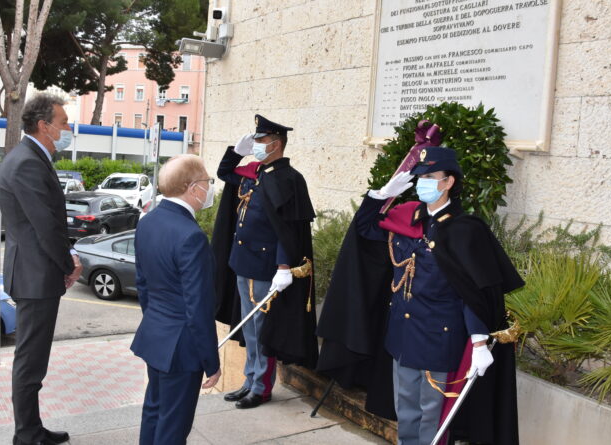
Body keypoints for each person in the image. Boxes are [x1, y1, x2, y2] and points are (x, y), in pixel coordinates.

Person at [316, 146, 524, 445]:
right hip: (402, 331)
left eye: (429, 176)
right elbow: (364, 229)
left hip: (439, 335)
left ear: (448, 182)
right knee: (406, 409)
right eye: (419, 177)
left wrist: (479, 341)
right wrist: (380, 195)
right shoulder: (405, 217)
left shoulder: (465, 229)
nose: (422, 182)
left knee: (431, 413)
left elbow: (473, 292)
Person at [212, 114, 318, 409]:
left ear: (276, 144)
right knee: (249, 329)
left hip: (265, 268)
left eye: (260, 141)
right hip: (242, 264)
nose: (256, 145)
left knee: (263, 330)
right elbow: (224, 173)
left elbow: (289, 228)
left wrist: (284, 267)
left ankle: (261, 387)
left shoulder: (289, 179)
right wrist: (236, 151)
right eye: (255, 141)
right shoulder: (255, 174)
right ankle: (249, 380)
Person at [0, 93, 82, 445]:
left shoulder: (29, 156)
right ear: (44, 125)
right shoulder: (27, 161)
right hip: (35, 277)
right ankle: (27, 434)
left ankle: (31, 428)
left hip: (34, 273)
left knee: (33, 361)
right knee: (31, 362)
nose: (66, 128)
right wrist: (69, 263)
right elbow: (45, 225)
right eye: (62, 123)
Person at [130, 155, 221, 445]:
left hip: (156, 337)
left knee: (154, 412)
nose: (208, 189)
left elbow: (143, 286)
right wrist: (211, 361)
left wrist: (158, 324)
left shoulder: (148, 222)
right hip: (182, 348)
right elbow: (199, 308)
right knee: (174, 427)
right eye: (207, 182)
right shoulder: (191, 236)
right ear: (193, 188)